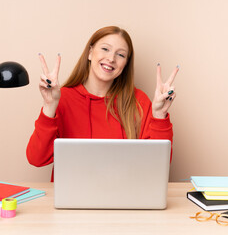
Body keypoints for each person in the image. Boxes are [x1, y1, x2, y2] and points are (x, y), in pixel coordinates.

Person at [26, 26, 179, 181]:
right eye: (105, 49)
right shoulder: (62, 98)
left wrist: (159, 116)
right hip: (72, 199)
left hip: (124, 197)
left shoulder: (138, 101)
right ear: (90, 52)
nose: (111, 58)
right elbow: (36, 159)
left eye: (120, 55)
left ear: (125, 64)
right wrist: (49, 106)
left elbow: (158, 166)